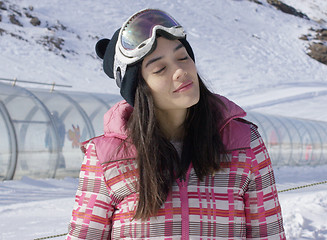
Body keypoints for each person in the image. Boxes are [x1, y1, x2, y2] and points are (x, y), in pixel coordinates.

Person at [66, 9, 285, 240]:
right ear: (139, 88)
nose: (181, 71)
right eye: (160, 69)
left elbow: (268, 234)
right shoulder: (106, 156)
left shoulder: (245, 143)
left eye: (183, 58)